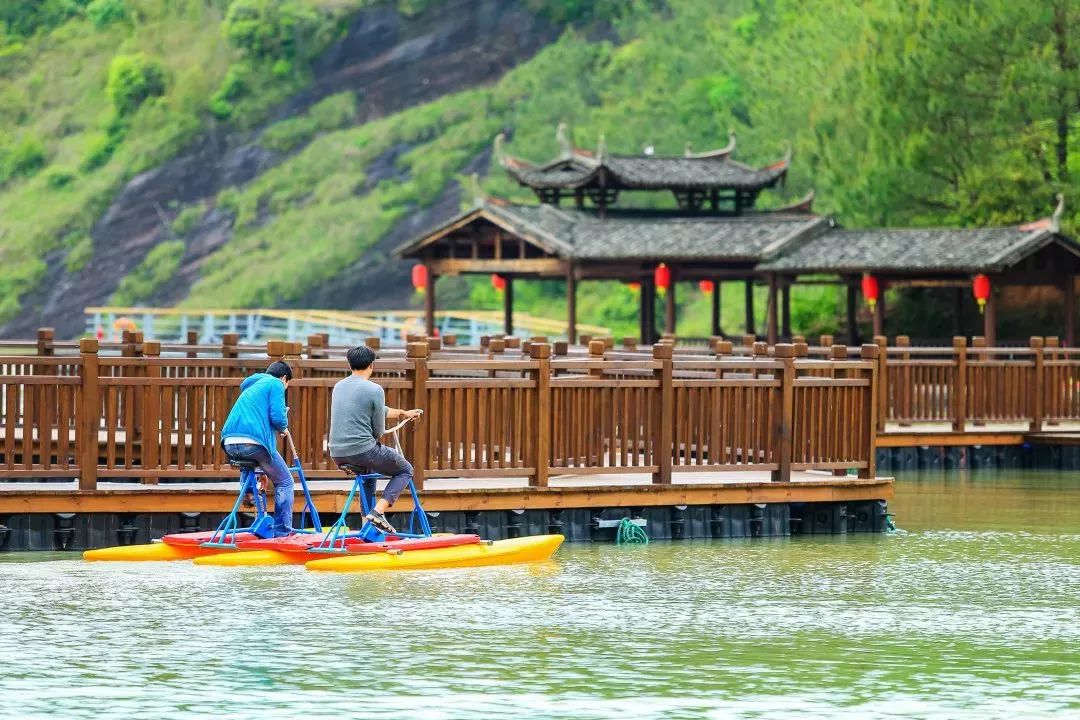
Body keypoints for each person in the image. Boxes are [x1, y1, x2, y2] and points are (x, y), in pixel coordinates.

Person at [329, 345, 422, 533]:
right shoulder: (375, 389)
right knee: (405, 469)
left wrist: (404, 413)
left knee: (368, 473)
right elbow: (379, 431)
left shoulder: (339, 386)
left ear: (350, 364)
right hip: (362, 451)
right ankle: (378, 512)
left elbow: (379, 409)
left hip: (336, 453)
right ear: (371, 365)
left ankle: (368, 526)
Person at [220, 361, 295, 536]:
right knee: (285, 481)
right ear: (284, 378)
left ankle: (249, 493)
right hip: (253, 443)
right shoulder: (276, 383)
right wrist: (283, 426)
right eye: (287, 384)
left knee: (253, 463)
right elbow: (278, 418)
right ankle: (282, 531)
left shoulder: (252, 386)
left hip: (229, 442)